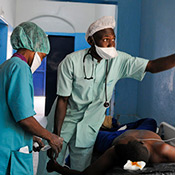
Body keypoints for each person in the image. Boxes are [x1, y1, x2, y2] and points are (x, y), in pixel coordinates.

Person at [39, 15, 175, 173]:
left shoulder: (119, 60)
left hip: (89, 125)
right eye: (105, 39)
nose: (111, 44)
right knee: (49, 165)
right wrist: (55, 135)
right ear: (91, 41)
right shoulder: (71, 62)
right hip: (63, 120)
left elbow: (151, 66)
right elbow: (63, 100)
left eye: (113, 39)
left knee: (81, 166)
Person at [0, 22, 63, 175]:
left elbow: (8, 110)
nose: (41, 60)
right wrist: (50, 137)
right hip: (11, 149)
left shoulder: (6, 65)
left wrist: (31, 135)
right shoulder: (21, 68)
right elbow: (24, 118)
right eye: (42, 56)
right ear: (33, 47)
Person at [46, 129, 175, 175]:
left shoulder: (163, 149)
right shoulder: (115, 150)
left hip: (123, 135)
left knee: (150, 122)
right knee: (87, 137)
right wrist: (57, 168)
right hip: (115, 136)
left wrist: (57, 167)